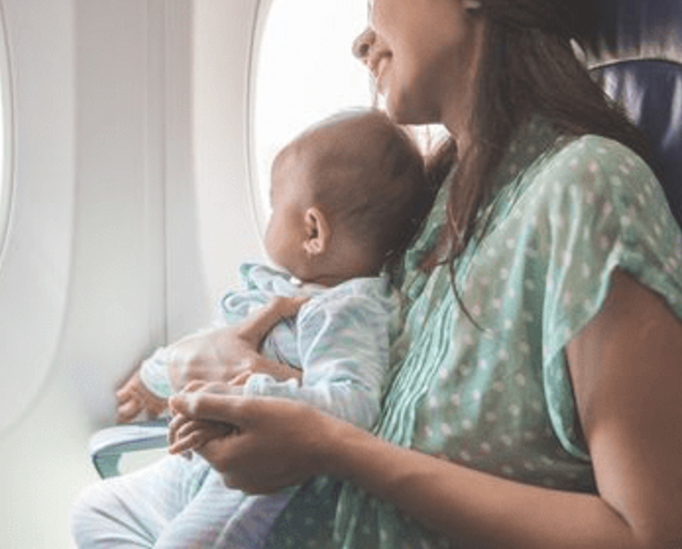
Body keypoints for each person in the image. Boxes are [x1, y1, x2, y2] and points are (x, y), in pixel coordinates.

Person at [158, 0, 682, 547]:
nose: (362, 41)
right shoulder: (440, 203)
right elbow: (394, 412)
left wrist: (334, 449)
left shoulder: (588, 190)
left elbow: (677, 538)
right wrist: (259, 384)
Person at [70, 108, 433, 548]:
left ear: (313, 230)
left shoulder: (349, 310)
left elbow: (354, 405)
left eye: (276, 204)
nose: (270, 215)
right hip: (194, 463)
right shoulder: (277, 288)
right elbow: (219, 341)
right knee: (96, 507)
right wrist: (154, 378)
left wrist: (257, 395)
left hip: (253, 483)